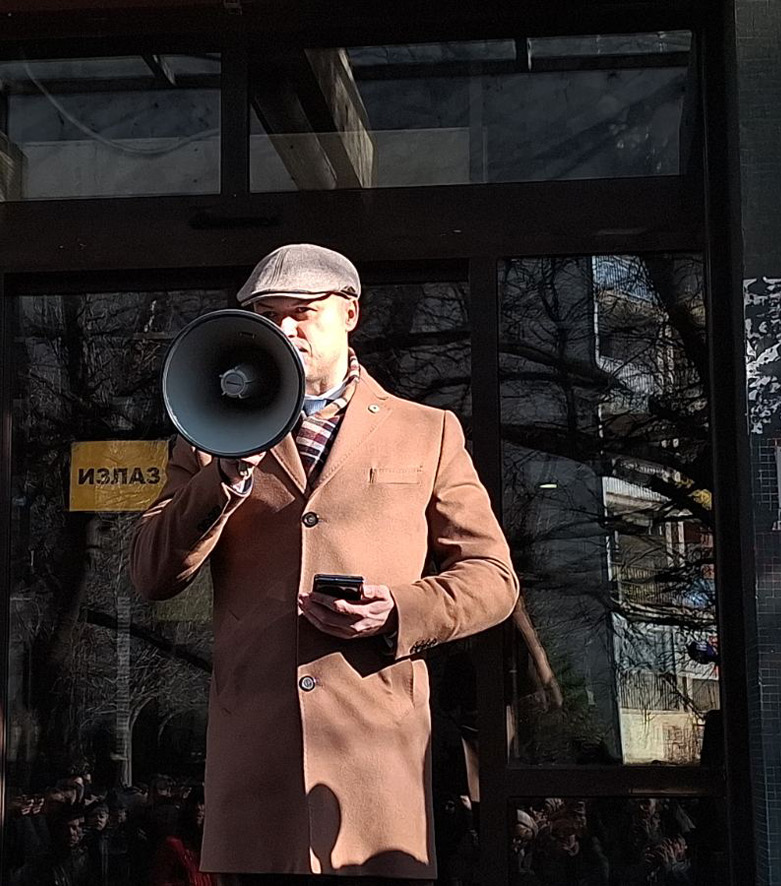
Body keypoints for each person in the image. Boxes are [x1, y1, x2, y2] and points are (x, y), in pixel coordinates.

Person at [130, 243, 520, 884]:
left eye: (302, 311)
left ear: (351, 314)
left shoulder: (428, 431)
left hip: (376, 772)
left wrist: (400, 610)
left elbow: (494, 580)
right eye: (267, 316)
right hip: (257, 773)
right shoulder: (208, 434)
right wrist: (221, 479)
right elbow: (150, 573)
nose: (285, 329)